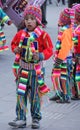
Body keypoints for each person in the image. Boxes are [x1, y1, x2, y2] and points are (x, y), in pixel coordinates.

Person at [8, 5, 53, 129]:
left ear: (38, 20)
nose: (29, 21)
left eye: (32, 18)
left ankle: (36, 118)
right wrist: (15, 49)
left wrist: (41, 55)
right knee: (21, 94)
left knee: (35, 95)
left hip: (36, 72)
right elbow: (13, 44)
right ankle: (20, 118)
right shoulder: (20, 34)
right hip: (22, 70)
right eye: (27, 18)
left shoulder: (43, 35)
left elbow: (49, 49)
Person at [50, 8, 74, 103]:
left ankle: (65, 96)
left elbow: (65, 47)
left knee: (63, 78)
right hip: (62, 58)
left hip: (64, 59)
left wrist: (59, 59)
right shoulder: (66, 29)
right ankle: (58, 92)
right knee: (56, 76)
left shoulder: (67, 31)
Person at [71, 4, 80, 100]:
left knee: (76, 74)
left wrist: (74, 54)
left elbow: (76, 44)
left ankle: (77, 93)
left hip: (78, 55)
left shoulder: (77, 30)